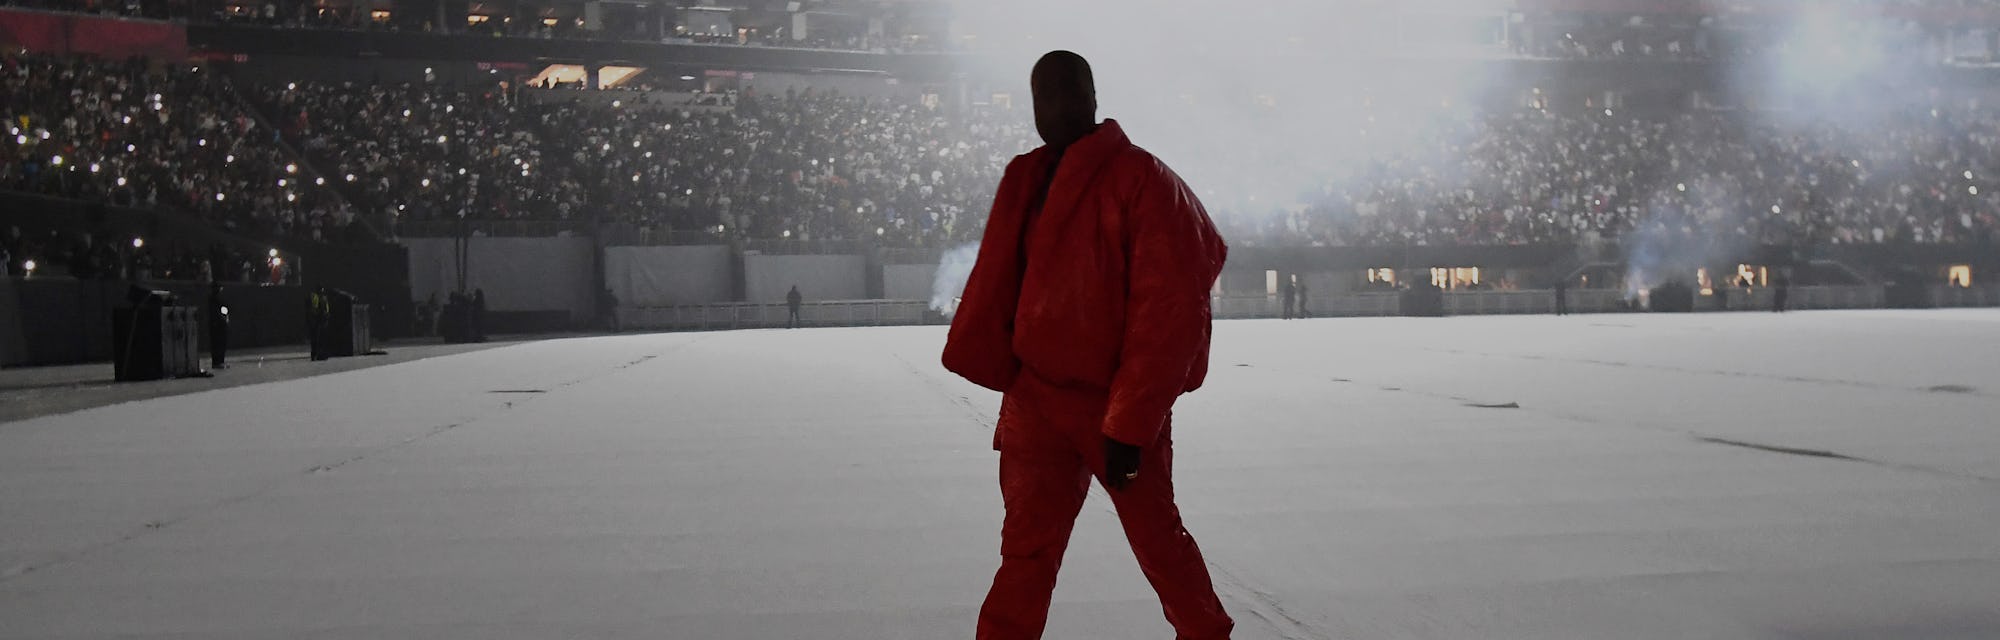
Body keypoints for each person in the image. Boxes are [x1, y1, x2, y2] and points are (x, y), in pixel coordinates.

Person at [944, 50, 1234, 640]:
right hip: (1036, 399)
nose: (1055, 107)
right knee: (1025, 553)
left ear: (1094, 96)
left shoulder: (1145, 181)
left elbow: (1169, 313)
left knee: (1158, 543)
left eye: (1067, 91)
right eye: (1043, 96)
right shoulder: (1026, 178)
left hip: (1113, 407)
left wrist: (1130, 423)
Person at [206, 282, 229, 369]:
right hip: (218, 324)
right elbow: (219, 311)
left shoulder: (213, 299)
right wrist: (224, 319)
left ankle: (218, 362)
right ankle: (218, 362)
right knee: (219, 343)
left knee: (217, 343)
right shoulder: (215, 299)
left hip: (216, 323)